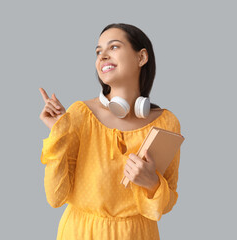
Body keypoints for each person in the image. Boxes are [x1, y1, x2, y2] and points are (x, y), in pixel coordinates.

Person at [38, 23, 181, 240]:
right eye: (98, 51)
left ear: (142, 57)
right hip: (81, 233)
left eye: (113, 47)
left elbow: (166, 205)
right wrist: (58, 133)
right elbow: (55, 198)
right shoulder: (79, 115)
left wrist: (152, 183)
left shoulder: (166, 123)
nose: (102, 56)